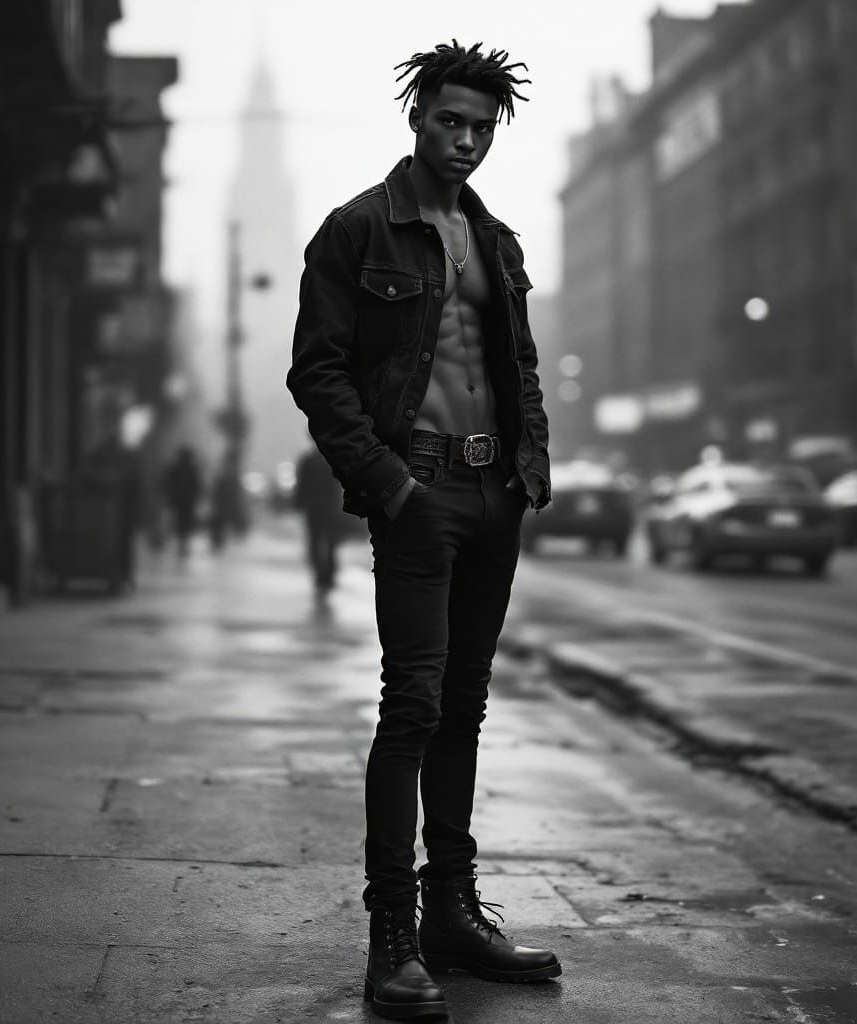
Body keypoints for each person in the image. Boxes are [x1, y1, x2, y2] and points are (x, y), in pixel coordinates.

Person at [287, 40, 557, 1019]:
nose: (466, 141)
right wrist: (386, 480)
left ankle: (452, 912)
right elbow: (317, 370)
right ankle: (391, 937)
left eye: (482, 127)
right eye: (450, 121)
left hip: (493, 494)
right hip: (419, 491)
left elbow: (517, 364)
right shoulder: (359, 229)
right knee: (413, 706)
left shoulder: (497, 241)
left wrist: (530, 466)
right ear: (416, 118)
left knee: (464, 709)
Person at [293, 441, 346, 593]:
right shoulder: (333, 458)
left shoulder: (308, 460)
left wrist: (299, 503)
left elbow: (302, 484)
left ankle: (320, 574)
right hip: (331, 507)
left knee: (315, 540)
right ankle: (329, 574)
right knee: (331, 541)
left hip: (314, 508)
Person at [161, 445, 202, 559]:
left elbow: (196, 486)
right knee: (182, 522)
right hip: (181, 501)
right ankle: (181, 543)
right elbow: (168, 483)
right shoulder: (182, 470)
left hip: (184, 501)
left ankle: (182, 543)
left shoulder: (188, 470)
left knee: (183, 522)